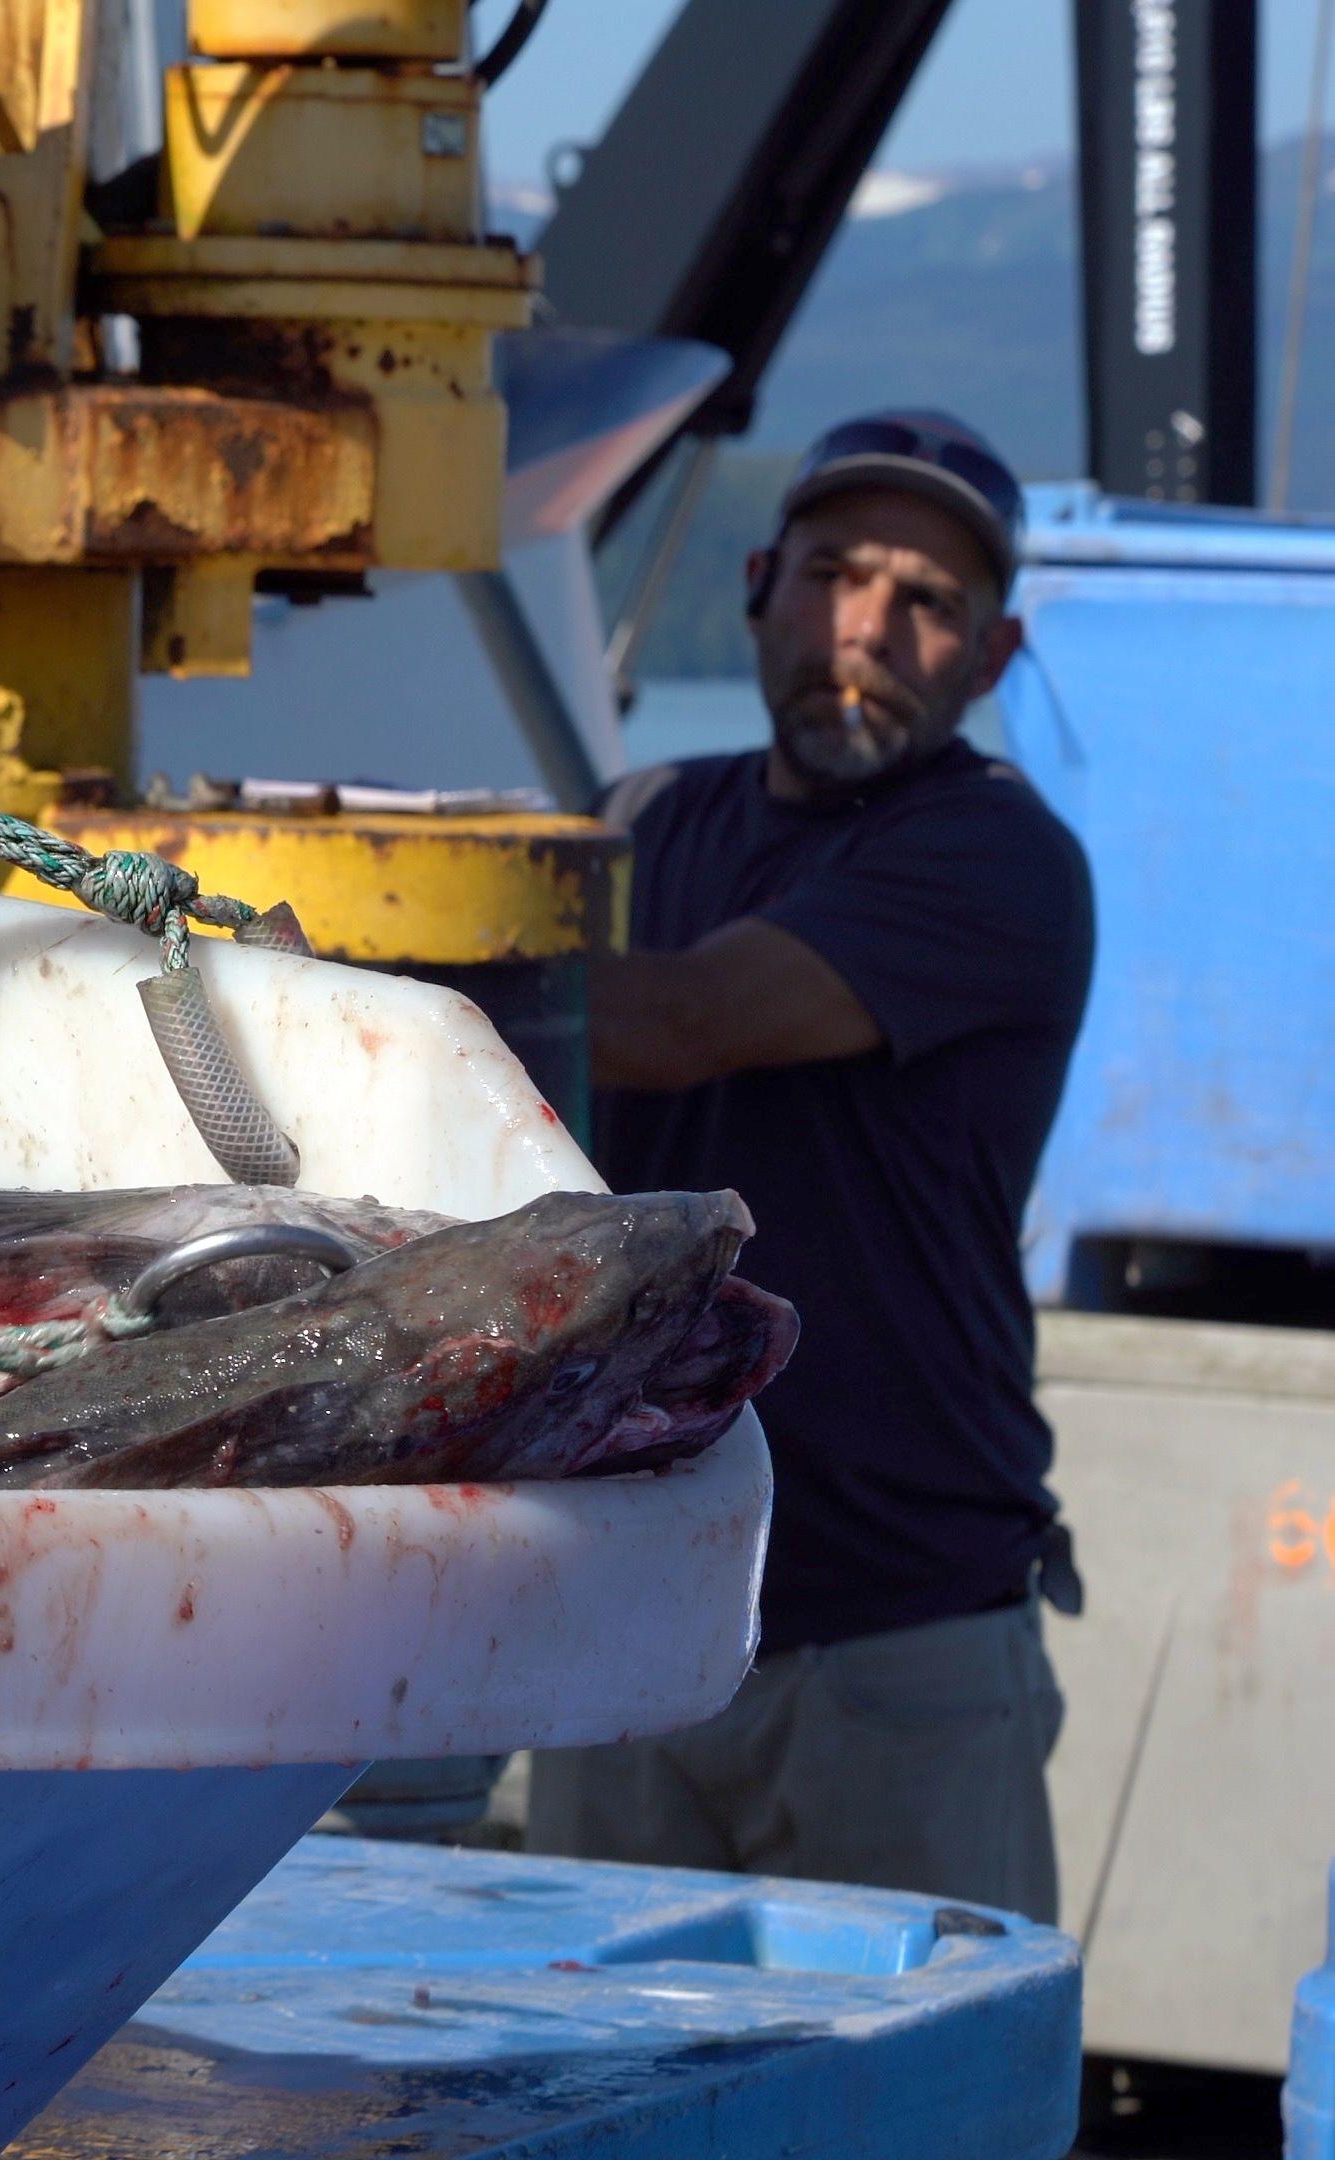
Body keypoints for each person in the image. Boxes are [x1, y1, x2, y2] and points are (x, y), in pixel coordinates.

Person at [527, 410, 1094, 1922]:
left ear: (989, 658)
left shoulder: (997, 860)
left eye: (929, 602)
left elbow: (686, 1022)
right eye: (838, 575)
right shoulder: (647, 821)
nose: (870, 626)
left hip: (896, 1646)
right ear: (762, 585)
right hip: (639, 1609)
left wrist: (326, 974)